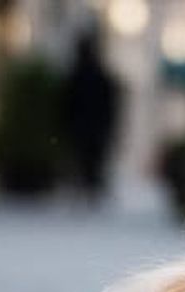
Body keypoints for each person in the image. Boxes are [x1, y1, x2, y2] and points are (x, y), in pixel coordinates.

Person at [64, 23, 120, 199]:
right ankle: (90, 189)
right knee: (92, 160)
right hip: (93, 127)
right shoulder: (98, 75)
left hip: (84, 127)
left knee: (86, 160)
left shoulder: (77, 75)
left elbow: (67, 103)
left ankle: (88, 189)